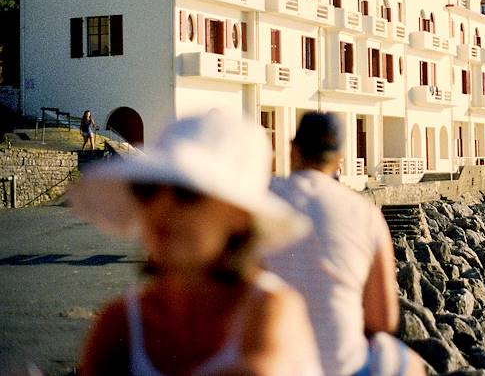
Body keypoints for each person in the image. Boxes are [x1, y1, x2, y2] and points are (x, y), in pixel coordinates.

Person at [70, 110, 322, 376]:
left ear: (239, 215)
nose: (160, 208)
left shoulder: (269, 312)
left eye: (186, 192)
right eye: (148, 190)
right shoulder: (121, 322)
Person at [267, 112, 425, 376]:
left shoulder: (259, 198)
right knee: (408, 363)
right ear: (340, 157)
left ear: (293, 149)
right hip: (342, 367)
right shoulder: (366, 214)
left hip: (267, 362)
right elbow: (383, 320)